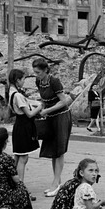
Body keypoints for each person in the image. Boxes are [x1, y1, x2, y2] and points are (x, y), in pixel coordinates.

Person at [32, 57, 73, 198]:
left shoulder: (54, 81)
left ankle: (55, 183)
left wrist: (47, 111)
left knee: (59, 150)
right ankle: (57, 182)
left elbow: (64, 101)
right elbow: (43, 101)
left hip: (61, 117)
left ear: (45, 70)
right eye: (35, 72)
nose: (36, 75)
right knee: (52, 150)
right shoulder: (38, 81)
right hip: (50, 117)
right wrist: (39, 109)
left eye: (38, 72)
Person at [7, 68, 43, 201]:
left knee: (18, 157)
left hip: (19, 126)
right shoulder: (17, 95)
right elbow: (29, 114)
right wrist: (40, 106)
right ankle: (21, 188)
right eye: (23, 79)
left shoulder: (11, 93)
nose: (23, 82)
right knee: (23, 158)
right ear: (17, 80)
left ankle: (14, 185)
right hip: (24, 127)